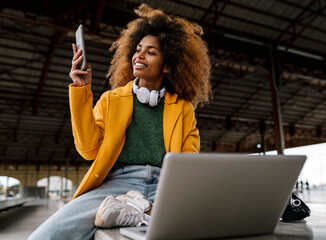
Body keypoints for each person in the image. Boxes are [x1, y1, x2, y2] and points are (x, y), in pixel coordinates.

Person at [29, 4, 211, 240]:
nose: (140, 55)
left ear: (167, 65)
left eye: (151, 52)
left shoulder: (183, 109)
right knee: (43, 237)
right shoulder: (111, 100)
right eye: (138, 49)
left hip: (165, 189)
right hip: (115, 187)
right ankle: (141, 210)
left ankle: (140, 209)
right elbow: (88, 149)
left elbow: (188, 167)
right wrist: (82, 91)